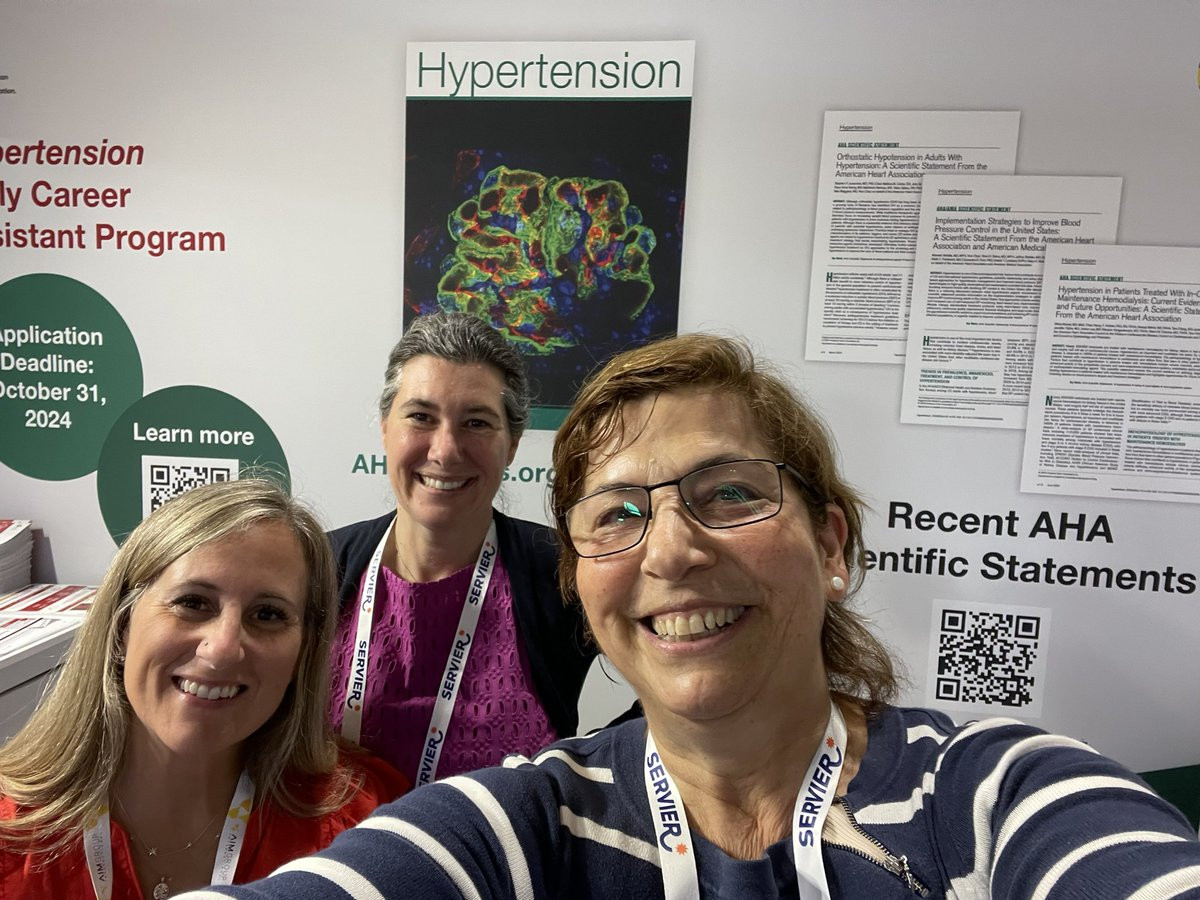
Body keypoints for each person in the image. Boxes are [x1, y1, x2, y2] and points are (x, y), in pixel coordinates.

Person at [180, 335, 1200, 899]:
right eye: (617, 515)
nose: (669, 552)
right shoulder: (531, 822)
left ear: (832, 545)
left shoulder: (994, 795)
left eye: (730, 494)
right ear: (587, 579)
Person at [0, 479, 408, 899]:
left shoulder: (359, 823)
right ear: (122, 624)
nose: (223, 649)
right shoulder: (10, 833)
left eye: (268, 614)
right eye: (193, 603)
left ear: (304, 652)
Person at [325, 311, 599, 786]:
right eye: (420, 417)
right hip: (342, 838)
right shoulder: (319, 567)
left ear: (512, 445)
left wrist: (596, 771)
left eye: (476, 422)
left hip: (505, 840)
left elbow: (682, 669)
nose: (445, 450)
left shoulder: (565, 571)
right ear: (385, 427)